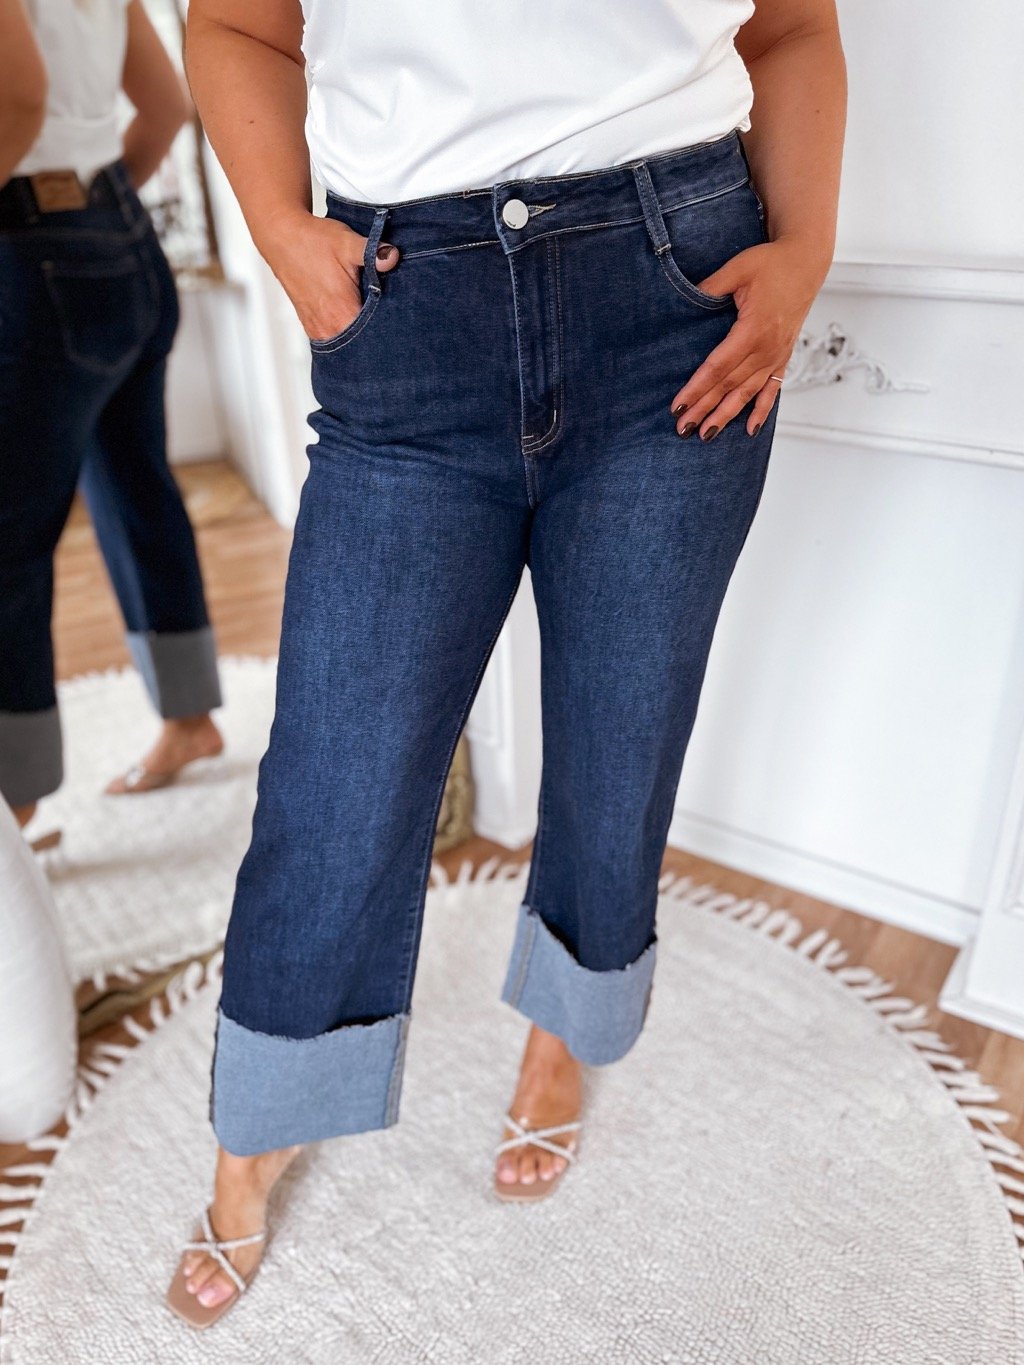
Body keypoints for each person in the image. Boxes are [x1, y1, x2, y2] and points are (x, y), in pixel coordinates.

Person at [169, 0, 846, 1327]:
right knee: (338, 779)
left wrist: (806, 249)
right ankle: (261, 1124)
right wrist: (278, 228)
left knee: (621, 735)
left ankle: (561, 1038)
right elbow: (236, 25)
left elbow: (793, 29)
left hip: (678, 294)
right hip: (406, 300)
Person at [0, 0, 224, 836]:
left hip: (31, 251)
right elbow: (166, 104)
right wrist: (95, 215)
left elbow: (20, 100)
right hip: (124, 238)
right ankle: (189, 717)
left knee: (9, 541)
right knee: (138, 489)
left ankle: (15, 801)